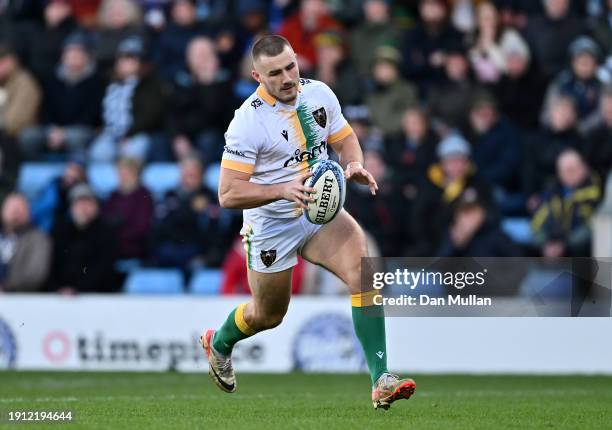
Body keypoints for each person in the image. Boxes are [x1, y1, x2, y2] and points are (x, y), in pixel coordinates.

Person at [201, 35, 415, 410]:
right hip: (272, 225)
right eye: (274, 73)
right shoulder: (247, 122)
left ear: (297, 60)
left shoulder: (319, 94)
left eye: (290, 67)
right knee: (269, 315)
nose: (287, 78)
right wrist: (282, 190)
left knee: (364, 274)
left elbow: (345, 138)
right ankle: (218, 342)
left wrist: (353, 164)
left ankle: (381, 380)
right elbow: (228, 194)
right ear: (256, 76)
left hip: (319, 215)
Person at [49, 183, 118, 293]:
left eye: (88, 203)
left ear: (96, 206)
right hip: (61, 295)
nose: (83, 208)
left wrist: (77, 289)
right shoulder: (60, 232)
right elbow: (52, 265)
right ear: (72, 208)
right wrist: (58, 288)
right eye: (79, 203)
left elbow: (103, 269)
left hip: (95, 296)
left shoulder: (107, 233)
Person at [531, 149, 601, 257]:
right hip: (551, 246)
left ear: (583, 168)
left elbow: (590, 226)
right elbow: (537, 223)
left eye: (572, 169)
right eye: (564, 171)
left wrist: (564, 245)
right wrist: (545, 244)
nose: (569, 174)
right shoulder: (552, 191)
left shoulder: (593, 193)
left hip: (580, 251)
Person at [0, 193, 52, 292]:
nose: (16, 214)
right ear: (3, 211)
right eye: (12, 209)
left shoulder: (38, 239)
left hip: (22, 300)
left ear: (29, 214)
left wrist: (6, 287)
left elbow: (35, 273)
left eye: (20, 210)